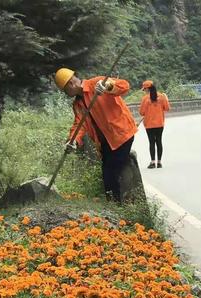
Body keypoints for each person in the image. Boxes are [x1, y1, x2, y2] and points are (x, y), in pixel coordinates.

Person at [54, 68, 137, 201]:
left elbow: (124, 85)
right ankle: (114, 204)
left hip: (121, 134)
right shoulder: (78, 104)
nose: (66, 93)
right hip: (104, 142)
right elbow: (79, 124)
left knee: (112, 171)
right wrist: (73, 140)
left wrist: (108, 86)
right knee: (107, 174)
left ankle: (118, 205)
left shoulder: (97, 83)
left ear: (70, 84)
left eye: (64, 90)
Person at [139, 80, 170, 169]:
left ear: (147, 89)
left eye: (144, 89)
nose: (144, 91)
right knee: (159, 141)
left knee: (152, 142)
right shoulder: (161, 96)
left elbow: (141, 112)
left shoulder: (145, 99)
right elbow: (167, 108)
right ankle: (159, 162)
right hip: (160, 123)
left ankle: (152, 162)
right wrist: (166, 98)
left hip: (149, 125)